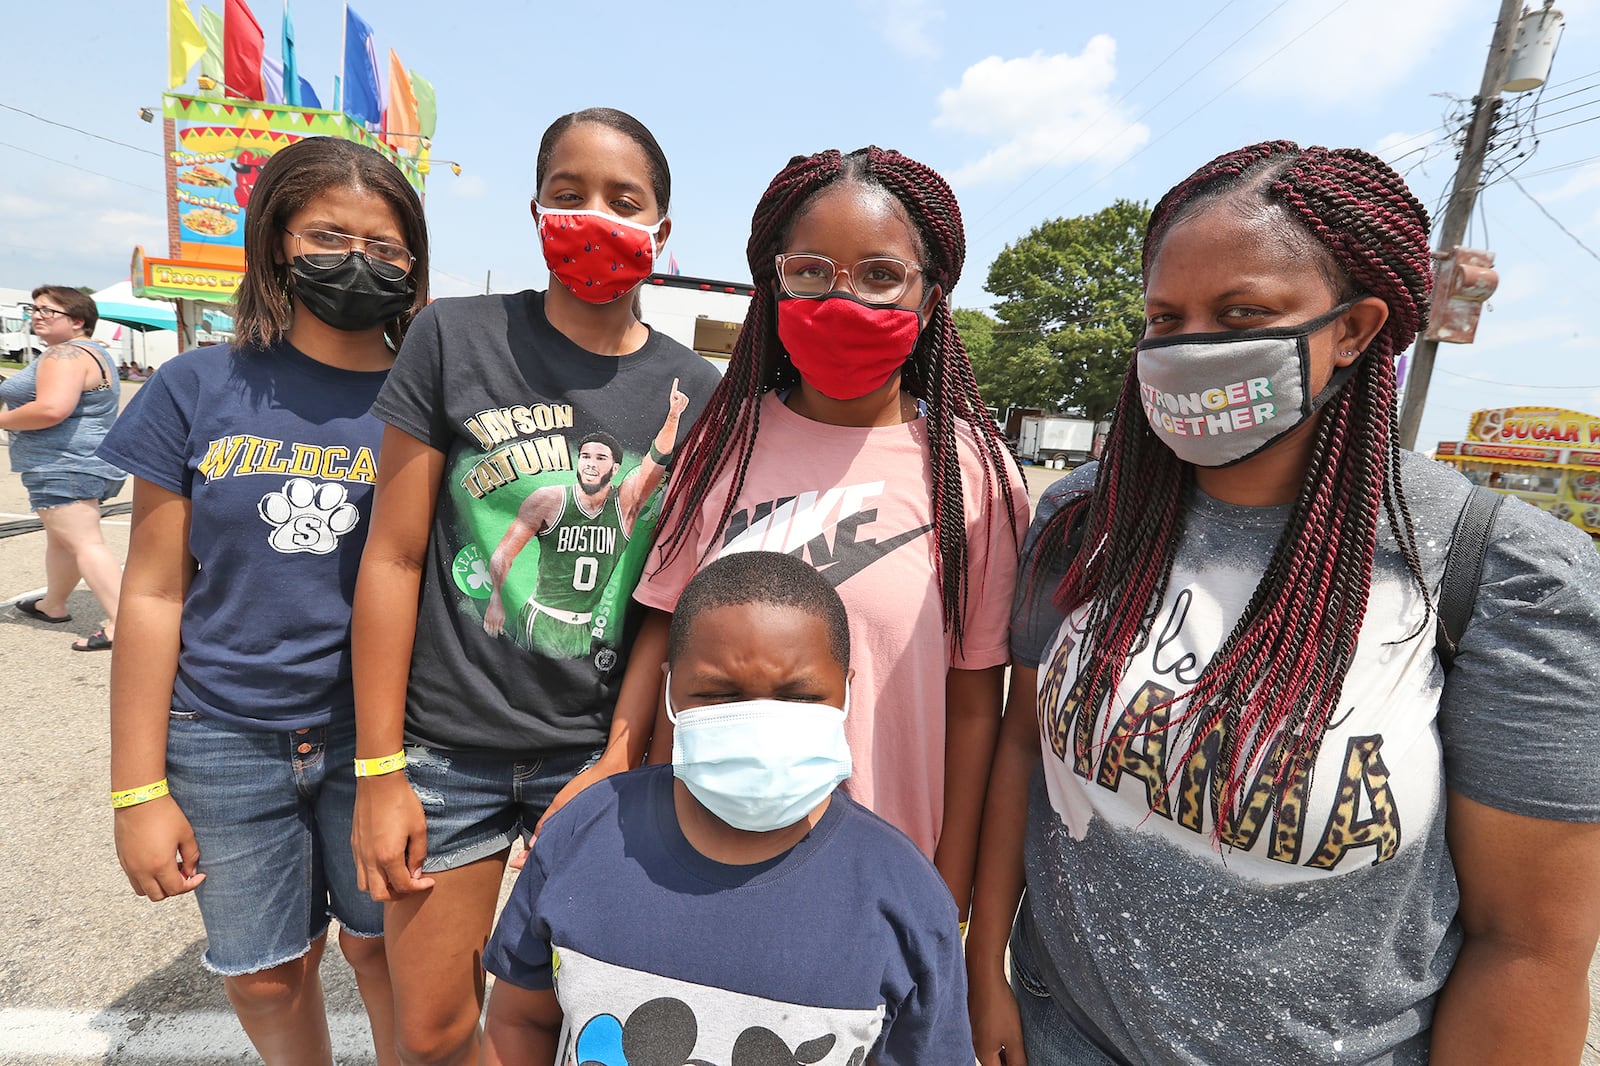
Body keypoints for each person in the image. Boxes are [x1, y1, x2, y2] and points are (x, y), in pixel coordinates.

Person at [966, 141, 1600, 1065]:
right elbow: (1026, 744)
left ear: (1355, 329)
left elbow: (1530, 946)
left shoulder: (1508, 578)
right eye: (1165, 318)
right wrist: (986, 966)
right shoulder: (1084, 518)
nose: (1190, 349)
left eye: (1243, 313)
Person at [350, 106, 722, 1065]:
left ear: (661, 230)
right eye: (569, 194)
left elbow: (665, 600)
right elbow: (391, 557)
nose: (593, 214)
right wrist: (380, 770)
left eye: (621, 199)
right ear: (536, 210)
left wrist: (623, 754)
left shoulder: (697, 391)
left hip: (596, 754)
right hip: (447, 754)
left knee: (584, 1024)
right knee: (431, 1032)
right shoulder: (453, 338)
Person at [624, 146, 1028, 920]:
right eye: (810, 272)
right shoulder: (723, 445)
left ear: (931, 295)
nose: (843, 300)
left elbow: (977, 705)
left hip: (883, 876)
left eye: (881, 275)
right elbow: (667, 634)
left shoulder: (976, 474)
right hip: (701, 860)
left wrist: (946, 897)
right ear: (773, 282)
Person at [99, 135, 430, 1066]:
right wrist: (136, 790)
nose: (359, 262)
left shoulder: (431, 397)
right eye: (329, 235)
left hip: (382, 739)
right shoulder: (194, 386)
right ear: (277, 241)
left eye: (387, 247)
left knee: (385, 953)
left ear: (414, 263)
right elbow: (156, 591)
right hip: (223, 738)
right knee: (264, 974)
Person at [482, 550, 972, 1065]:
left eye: (800, 696)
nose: (759, 724)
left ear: (847, 691)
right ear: (670, 688)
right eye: (720, 694)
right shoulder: (581, 835)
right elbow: (521, 1020)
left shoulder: (905, 899)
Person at [481, 378, 689, 657]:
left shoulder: (625, 503)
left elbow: (656, 460)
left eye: (600, 458)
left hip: (584, 626)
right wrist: (496, 597)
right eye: (586, 456)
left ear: (615, 468)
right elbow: (504, 553)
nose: (591, 463)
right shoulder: (549, 499)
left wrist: (673, 416)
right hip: (542, 618)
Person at [1, 286, 127, 651]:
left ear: (77, 321)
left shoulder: (64, 354)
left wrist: (3, 419)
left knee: (85, 543)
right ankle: (51, 604)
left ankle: (125, 623)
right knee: (64, 540)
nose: (38, 315)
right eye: (34, 309)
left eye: (48, 311)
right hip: (84, 462)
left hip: (62, 464)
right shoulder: (92, 352)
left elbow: (52, 409)